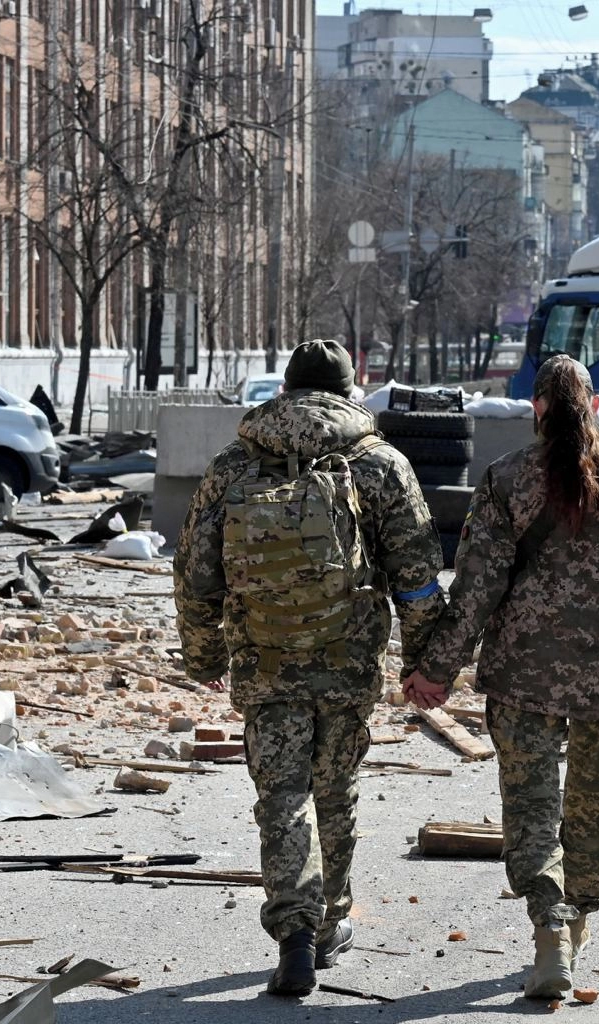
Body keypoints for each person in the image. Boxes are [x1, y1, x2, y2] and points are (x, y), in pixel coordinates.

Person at [403, 354, 599, 1000]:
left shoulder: (506, 482)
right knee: (591, 811)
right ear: (594, 408)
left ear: (535, 410)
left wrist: (435, 671)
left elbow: (475, 589)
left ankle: (549, 929)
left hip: (522, 675)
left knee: (531, 810)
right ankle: (577, 923)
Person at [174, 340, 444, 997]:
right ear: (350, 391)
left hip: (265, 657)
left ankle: (293, 934)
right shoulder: (379, 464)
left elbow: (194, 572)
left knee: (283, 794)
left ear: (288, 391)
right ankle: (328, 926)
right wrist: (425, 663)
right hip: (348, 658)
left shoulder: (235, 463)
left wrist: (204, 653)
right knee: (335, 789)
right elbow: (417, 579)